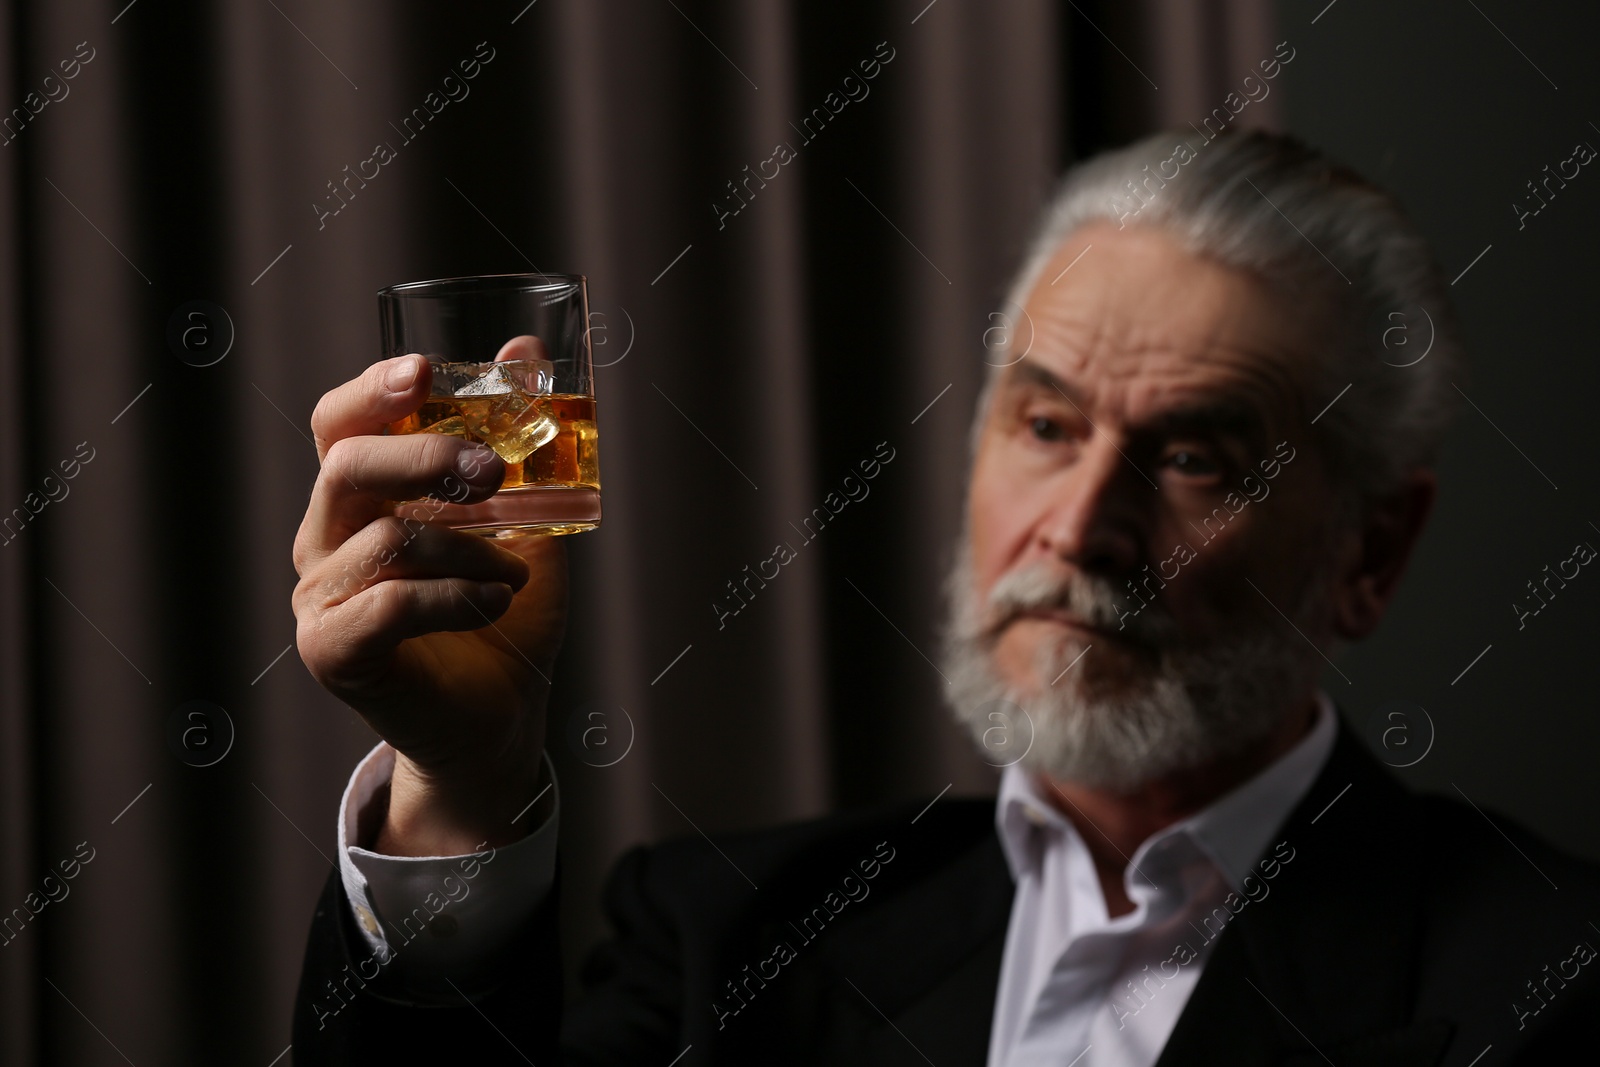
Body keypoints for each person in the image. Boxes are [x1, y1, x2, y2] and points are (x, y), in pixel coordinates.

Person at [290, 130, 1600, 1065]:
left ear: (1372, 550)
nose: (1082, 527)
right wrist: (461, 781)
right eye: (1044, 423)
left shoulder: (1545, 982)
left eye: (1196, 456)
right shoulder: (724, 939)